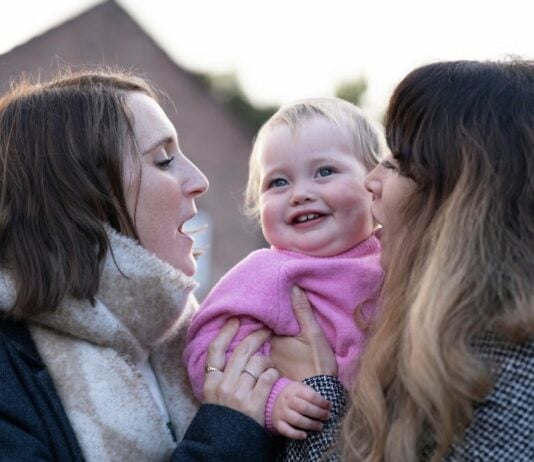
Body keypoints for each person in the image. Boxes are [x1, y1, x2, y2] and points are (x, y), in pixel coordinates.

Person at [0, 69, 280, 461]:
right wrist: (229, 432)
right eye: (164, 160)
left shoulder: (203, 342)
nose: (199, 180)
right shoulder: (9, 364)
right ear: (85, 196)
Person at [271, 59, 534, 461]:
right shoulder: (454, 341)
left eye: (397, 162)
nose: (370, 180)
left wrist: (317, 393)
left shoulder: (511, 372)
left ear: (459, 200)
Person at [184, 97, 386, 439]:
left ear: (374, 184)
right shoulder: (268, 273)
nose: (300, 194)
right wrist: (274, 398)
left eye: (324, 172)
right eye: (278, 182)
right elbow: (208, 350)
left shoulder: (396, 256)